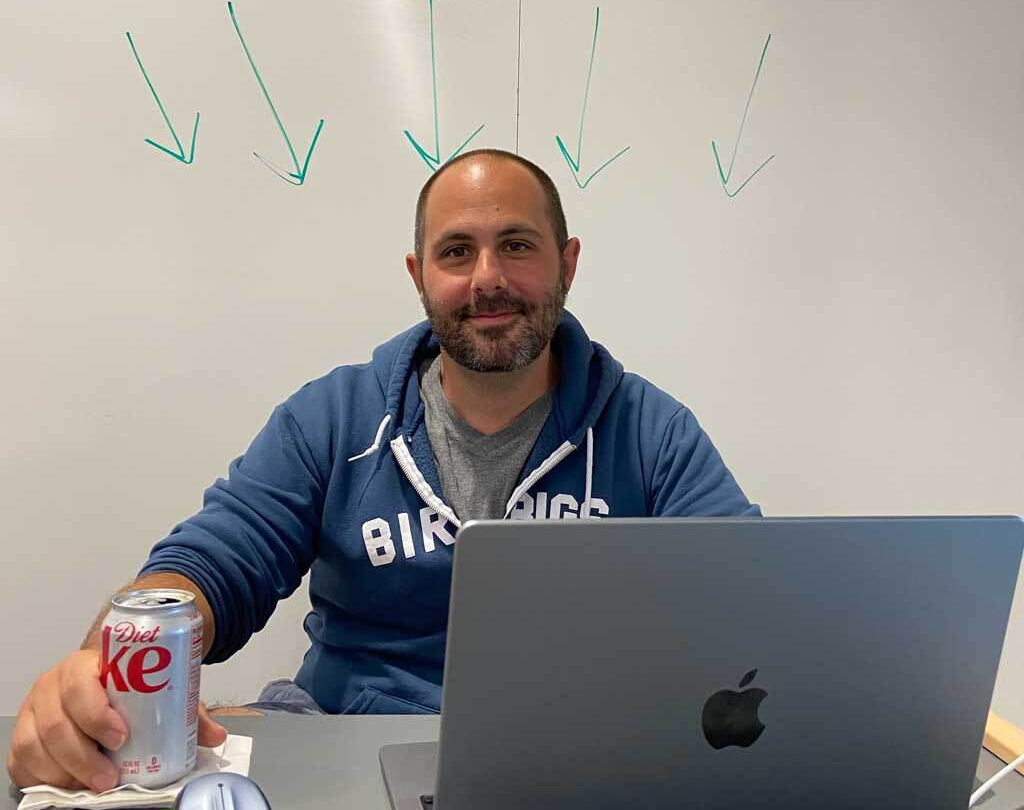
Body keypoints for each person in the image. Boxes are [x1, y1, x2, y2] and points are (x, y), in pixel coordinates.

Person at [7, 149, 760, 793]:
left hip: (581, 763)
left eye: (518, 246)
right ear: (419, 274)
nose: (487, 278)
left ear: (567, 263)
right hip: (346, 741)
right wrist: (107, 666)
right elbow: (211, 562)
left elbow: (752, 604)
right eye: (457, 251)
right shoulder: (333, 416)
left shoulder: (650, 431)